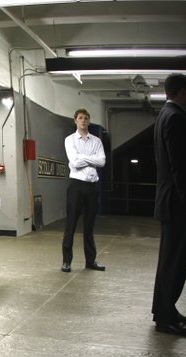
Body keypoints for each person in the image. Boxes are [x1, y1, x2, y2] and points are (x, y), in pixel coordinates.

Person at [152, 73, 186, 337]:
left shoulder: (167, 115)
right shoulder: (174, 118)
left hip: (173, 202)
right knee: (175, 262)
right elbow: (180, 166)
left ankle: (165, 310)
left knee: (169, 261)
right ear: (181, 92)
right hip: (180, 204)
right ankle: (165, 318)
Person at [61, 108, 106, 273]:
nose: (83, 121)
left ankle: (90, 261)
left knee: (89, 227)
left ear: (89, 121)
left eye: (86, 118)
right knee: (70, 225)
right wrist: (91, 159)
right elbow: (74, 163)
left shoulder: (97, 141)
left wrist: (83, 157)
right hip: (76, 186)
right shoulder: (70, 140)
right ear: (75, 121)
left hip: (92, 187)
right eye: (80, 118)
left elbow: (102, 162)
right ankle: (66, 262)